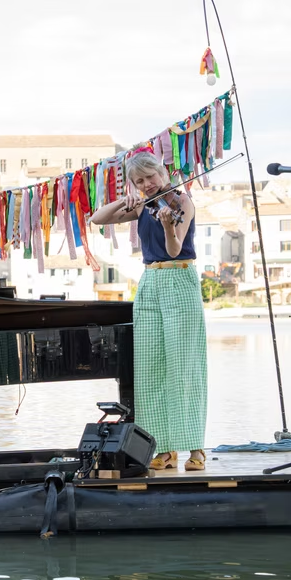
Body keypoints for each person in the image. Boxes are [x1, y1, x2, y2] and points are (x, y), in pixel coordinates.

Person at [89, 151, 208, 471]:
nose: (147, 184)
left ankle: (195, 447)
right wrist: (125, 199)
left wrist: (168, 226)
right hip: (150, 282)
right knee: (150, 368)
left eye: (150, 177)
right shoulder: (142, 205)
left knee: (184, 367)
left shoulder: (182, 203)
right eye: (139, 181)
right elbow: (97, 218)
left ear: (163, 173)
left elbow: (174, 249)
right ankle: (164, 449)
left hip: (180, 278)